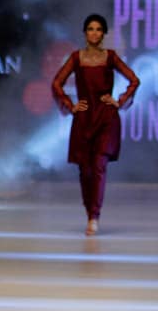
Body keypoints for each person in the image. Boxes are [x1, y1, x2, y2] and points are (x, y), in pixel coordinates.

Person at [50, 14, 139, 236]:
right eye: (90, 28)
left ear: (104, 34)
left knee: (99, 166)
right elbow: (56, 83)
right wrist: (70, 105)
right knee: (85, 169)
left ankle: (94, 217)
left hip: (106, 118)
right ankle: (89, 210)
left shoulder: (110, 57)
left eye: (99, 29)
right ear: (85, 33)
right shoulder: (76, 58)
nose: (94, 33)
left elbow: (134, 79)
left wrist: (118, 101)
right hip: (84, 118)